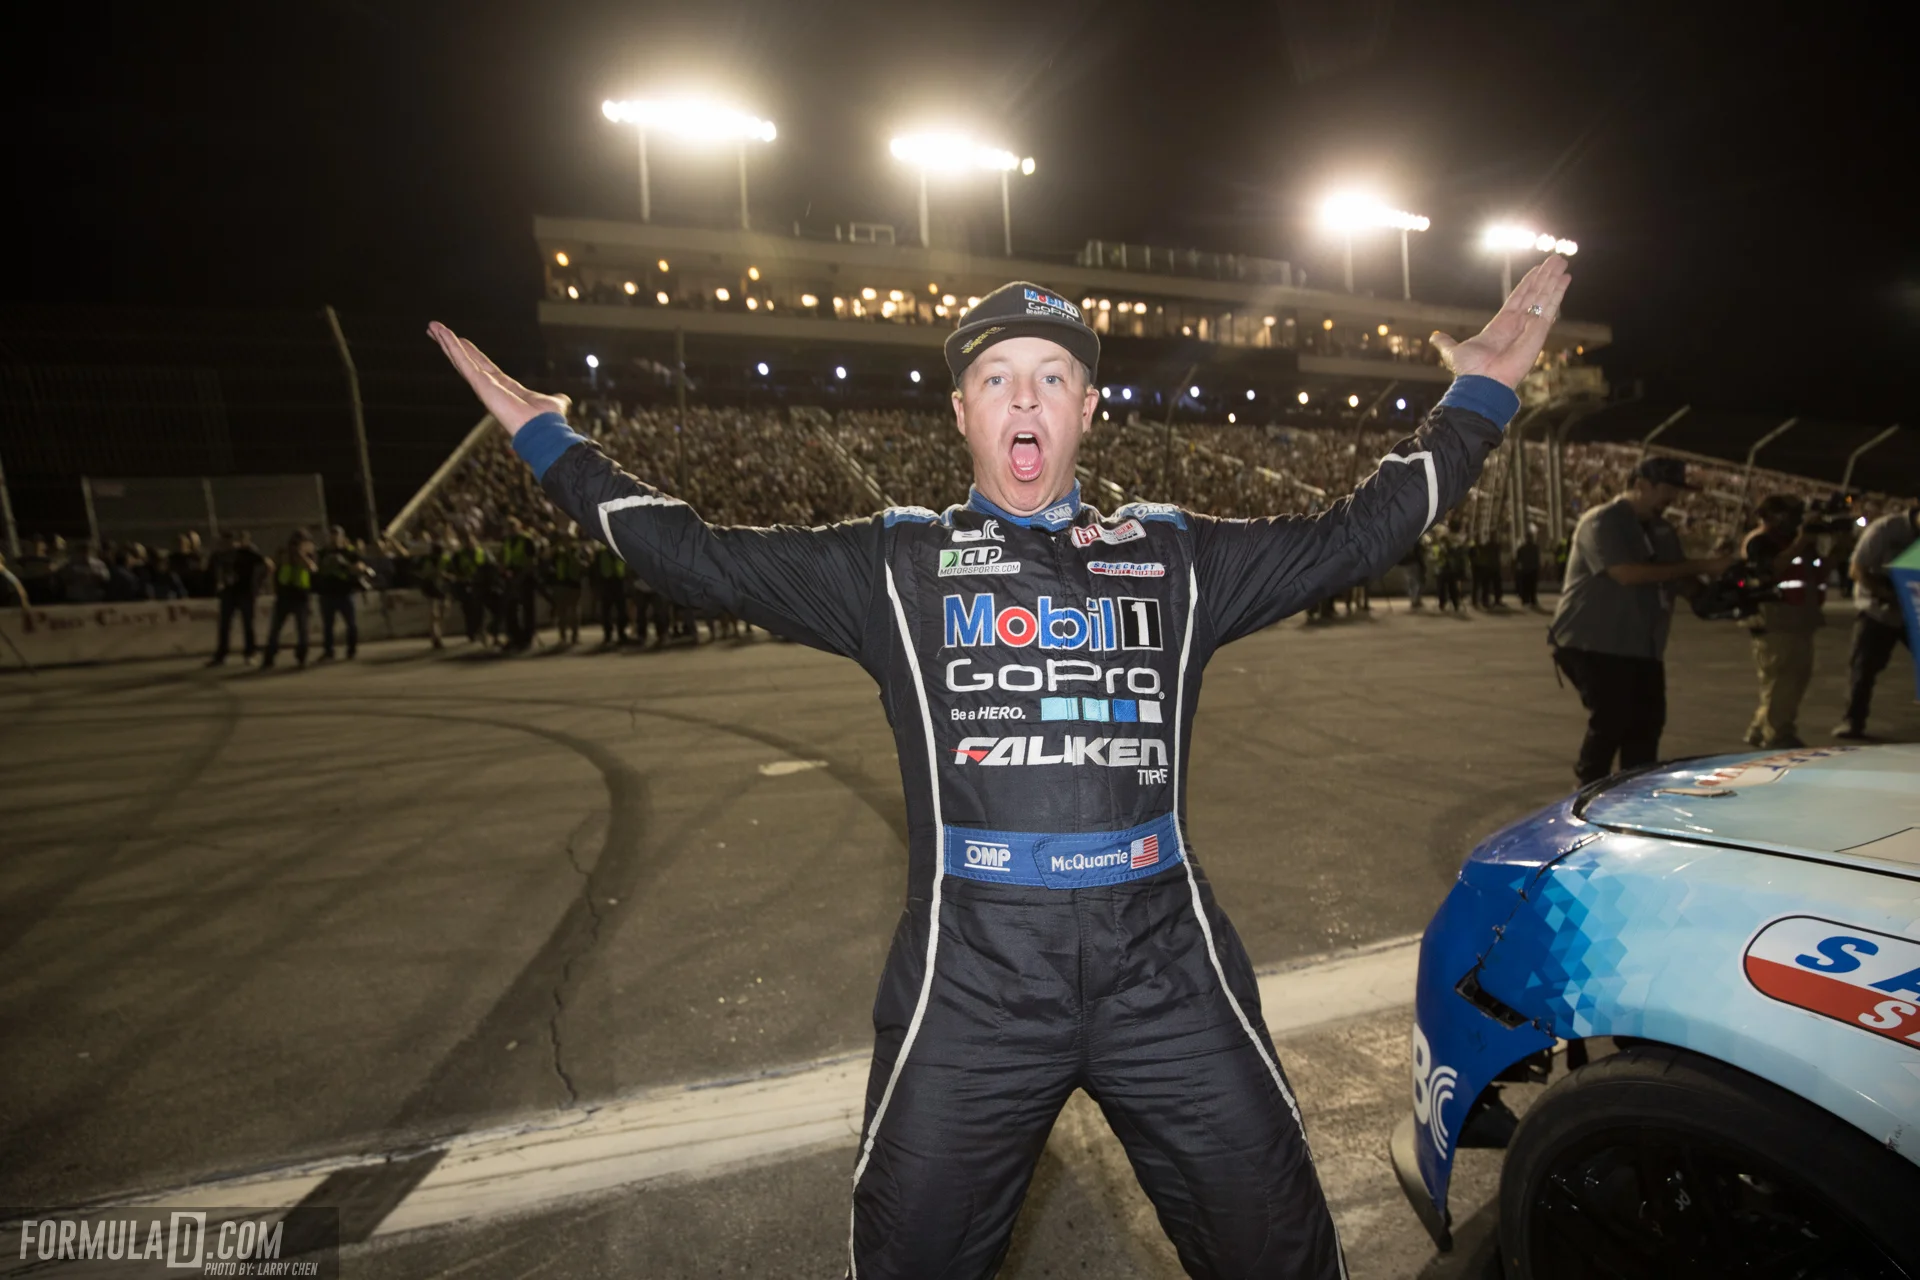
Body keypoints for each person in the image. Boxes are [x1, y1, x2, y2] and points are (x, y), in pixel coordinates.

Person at [428, 254, 1571, 1280]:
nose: (1026, 396)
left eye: (1052, 376)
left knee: (1278, 1243)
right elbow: (697, 559)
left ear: (1086, 410)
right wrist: (550, 442)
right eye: (997, 377)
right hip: (971, 975)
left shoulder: (1173, 554)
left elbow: (1357, 534)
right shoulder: (897, 563)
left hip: (1165, 965)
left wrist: (1477, 394)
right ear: (963, 413)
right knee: (911, 1253)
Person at [1547, 457, 1738, 784]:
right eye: (1667, 489)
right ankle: (1586, 793)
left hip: (1641, 646)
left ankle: (1635, 795)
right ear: (1640, 485)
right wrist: (1704, 565)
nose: (1673, 498)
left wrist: (1717, 592)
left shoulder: (1662, 530)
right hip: (1593, 641)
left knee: (1647, 725)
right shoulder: (1603, 520)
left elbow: (1678, 577)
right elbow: (1625, 573)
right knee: (1612, 720)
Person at [1741, 495, 1824, 749]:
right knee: (1781, 680)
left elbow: (1815, 573)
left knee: (1793, 679)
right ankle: (1777, 734)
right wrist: (1800, 543)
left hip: (1798, 619)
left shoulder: (1793, 542)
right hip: (1775, 619)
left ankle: (1760, 728)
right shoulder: (1760, 541)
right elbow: (1768, 572)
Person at [1834, 504, 1918, 739]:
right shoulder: (1886, 529)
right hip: (1878, 609)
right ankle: (1853, 720)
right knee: (1863, 668)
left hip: (1913, 609)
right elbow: (1857, 569)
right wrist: (1887, 594)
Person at [209, 531, 270, 666]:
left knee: (247, 624)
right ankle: (221, 654)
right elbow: (217, 571)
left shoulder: (247, 553)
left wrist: (258, 583)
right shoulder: (220, 555)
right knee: (224, 624)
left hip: (245, 592)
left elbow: (266, 564)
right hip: (229, 592)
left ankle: (250, 652)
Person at [262, 531, 317, 669]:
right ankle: (269, 657)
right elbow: (273, 569)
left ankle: (301, 657)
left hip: (301, 596)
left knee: (302, 630)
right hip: (284, 595)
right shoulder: (283, 553)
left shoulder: (308, 554)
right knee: (275, 629)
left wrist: (301, 555)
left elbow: (312, 568)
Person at [315, 526, 367, 661]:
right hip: (327, 594)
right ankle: (328, 651)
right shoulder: (322, 553)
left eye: (336, 535)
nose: (334, 538)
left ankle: (351, 650)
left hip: (345, 593)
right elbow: (316, 569)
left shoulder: (348, 552)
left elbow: (361, 567)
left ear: (342, 537)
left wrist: (345, 564)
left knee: (351, 624)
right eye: (332, 535)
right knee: (328, 625)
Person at [499, 516, 541, 651]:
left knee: (528, 609)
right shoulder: (507, 541)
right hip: (510, 576)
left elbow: (531, 561)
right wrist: (504, 571)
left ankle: (528, 637)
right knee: (510, 609)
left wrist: (520, 577)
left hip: (525, 577)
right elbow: (503, 557)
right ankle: (514, 637)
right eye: (508, 526)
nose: (510, 529)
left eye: (513, 526)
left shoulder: (526, 540)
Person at [545, 528, 585, 645]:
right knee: (562, 612)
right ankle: (563, 636)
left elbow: (584, 565)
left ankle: (574, 636)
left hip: (574, 584)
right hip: (561, 584)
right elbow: (546, 559)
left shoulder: (577, 551)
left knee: (574, 611)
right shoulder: (558, 553)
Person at [590, 539, 628, 645]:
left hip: (619, 581)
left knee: (621, 611)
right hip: (606, 583)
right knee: (606, 611)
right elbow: (595, 569)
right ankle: (608, 634)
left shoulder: (620, 550)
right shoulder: (601, 553)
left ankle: (621, 633)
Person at [1513, 526, 1543, 608]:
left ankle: (1525, 600)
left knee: (1525, 585)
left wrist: (1518, 567)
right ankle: (1532, 600)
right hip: (1532, 569)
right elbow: (1537, 558)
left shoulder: (1522, 548)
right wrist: (1538, 566)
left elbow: (1517, 558)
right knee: (1532, 585)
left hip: (1525, 569)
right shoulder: (1535, 547)